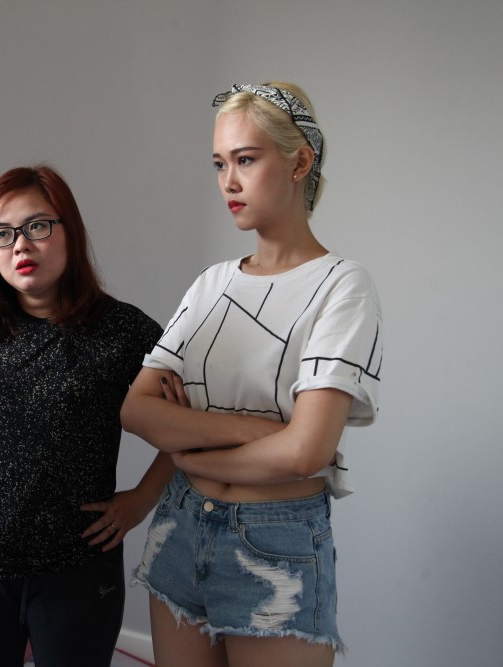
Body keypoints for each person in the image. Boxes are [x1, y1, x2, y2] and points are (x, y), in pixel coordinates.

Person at [121, 82, 384, 667]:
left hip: (275, 542)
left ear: (300, 162)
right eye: (220, 164)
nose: (228, 182)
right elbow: (137, 410)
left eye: (245, 159)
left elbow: (305, 453)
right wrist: (254, 431)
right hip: (179, 526)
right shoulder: (212, 283)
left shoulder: (342, 285)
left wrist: (190, 452)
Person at [0, 164, 173, 667]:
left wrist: (142, 499)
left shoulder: (124, 331)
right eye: (2, 233)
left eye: (37, 226)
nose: (20, 245)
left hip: (78, 568)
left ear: (69, 230)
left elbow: (186, 423)